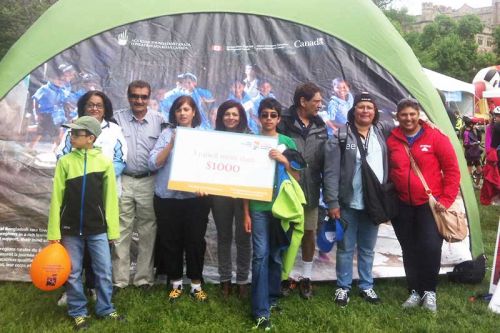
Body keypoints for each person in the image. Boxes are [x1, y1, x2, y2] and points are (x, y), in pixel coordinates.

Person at [47, 116, 123, 330]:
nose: (70, 136)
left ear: (90, 138)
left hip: (98, 229)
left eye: (75, 133)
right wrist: (54, 231)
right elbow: (56, 198)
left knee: (104, 270)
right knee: (72, 272)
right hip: (70, 230)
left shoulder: (104, 162)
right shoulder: (65, 162)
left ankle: (105, 308)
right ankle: (78, 311)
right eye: (70, 133)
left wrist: (113, 230)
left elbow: (110, 199)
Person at [387, 98, 460, 312]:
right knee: (409, 248)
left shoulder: (436, 137)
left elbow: (453, 171)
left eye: (412, 114)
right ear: (397, 116)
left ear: (419, 114)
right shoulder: (392, 139)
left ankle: (429, 292)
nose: (408, 118)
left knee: (429, 247)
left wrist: (445, 200)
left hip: (430, 205)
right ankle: (414, 290)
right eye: (404, 115)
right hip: (402, 205)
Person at [55, 90, 127, 306]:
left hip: (101, 198)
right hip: (76, 199)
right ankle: (71, 292)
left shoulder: (115, 130)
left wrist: (98, 177)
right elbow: (61, 155)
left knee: (99, 248)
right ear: (83, 107)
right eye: (90, 104)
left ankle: (94, 287)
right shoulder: (73, 129)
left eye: (99, 105)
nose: (95, 108)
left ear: (106, 109)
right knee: (74, 249)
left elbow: (121, 159)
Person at [323, 92, 391, 307]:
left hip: (374, 203)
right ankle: (343, 287)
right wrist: (332, 202)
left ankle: (366, 285)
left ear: (375, 112)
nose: (365, 111)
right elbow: (331, 172)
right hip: (347, 203)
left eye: (369, 108)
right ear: (354, 110)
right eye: (361, 107)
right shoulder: (341, 136)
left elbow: (410, 124)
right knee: (345, 248)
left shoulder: (381, 132)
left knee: (368, 248)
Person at [149, 95, 211, 302]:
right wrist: (172, 144)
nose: (183, 113)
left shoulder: (204, 135)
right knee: (170, 241)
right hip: (167, 198)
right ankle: (175, 283)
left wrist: (206, 185)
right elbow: (153, 164)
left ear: (194, 112)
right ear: (174, 113)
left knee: (195, 242)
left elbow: (211, 167)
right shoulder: (167, 134)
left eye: (186, 109)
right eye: (179, 110)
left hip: (196, 200)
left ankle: (195, 284)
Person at [243, 97, 298, 331]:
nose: (268, 119)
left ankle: (272, 297)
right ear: (258, 117)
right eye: (264, 114)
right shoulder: (250, 141)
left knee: (276, 255)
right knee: (260, 256)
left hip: (281, 208)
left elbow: (297, 177)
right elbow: (242, 181)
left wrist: (284, 160)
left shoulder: (287, 142)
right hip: (258, 208)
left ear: (279, 118)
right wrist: (245, 212)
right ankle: (260, 310)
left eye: (273, 115)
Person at [112, 80, 166, 291]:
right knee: (121, 230)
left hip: (149, 180)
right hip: (123, 179)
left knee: (147, 231)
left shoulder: (159, 121)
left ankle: (144, 279)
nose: (139, 100)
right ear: (128, 96)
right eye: (135, 96)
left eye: (144, 97)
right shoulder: (116, 119)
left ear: (149, 98)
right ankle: (120, 280)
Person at [278, 82, 327, 300]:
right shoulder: (283, 123)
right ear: (302, 102)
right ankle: (282, 277)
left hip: (311, 191)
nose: (320, 104)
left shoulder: (320, 125)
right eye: (316, 100)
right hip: (287, 191)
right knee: (284, 234)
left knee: (309, 234)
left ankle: (306, 277)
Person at [212, 100, 252, 298]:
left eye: (235, 114)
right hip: (220, 194)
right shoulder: (213, 138)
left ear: (241, 116)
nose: (231, 118)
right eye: (227, 114)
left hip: (244, 196)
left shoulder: (250, 138)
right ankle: (225, 279)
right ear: (221, 117)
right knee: (224, 237)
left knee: (243, 238)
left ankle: (242, 280)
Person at [29, 63, 77, 150]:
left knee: (41, 132)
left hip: (56, 114)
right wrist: (36, 113)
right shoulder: (45, 88)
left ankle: (31, 147)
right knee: (53, 133)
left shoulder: (61, 89)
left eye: (63, 80)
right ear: (52, 79)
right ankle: (59, 149)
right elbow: (35, 99)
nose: (61, 81)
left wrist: (70, 107)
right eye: (59, 79)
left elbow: (63, 100)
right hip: (46, 114)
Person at [462, 117, 483, 188]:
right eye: (474, 124)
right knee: (469, 171)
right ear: (471, 125)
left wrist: (478, 131)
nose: (476, 125)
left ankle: (476, 184)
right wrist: (473, 143)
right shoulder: (466, 133)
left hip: (476, 154)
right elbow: (465, 144)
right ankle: (466, 187)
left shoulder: (474, 131)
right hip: (470, 155)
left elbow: (479, 139)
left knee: (480, 170)